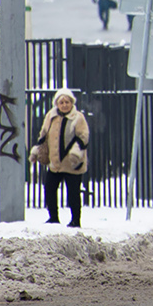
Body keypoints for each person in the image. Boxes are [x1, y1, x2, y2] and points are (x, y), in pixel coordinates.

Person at [37, 88, 89, 227]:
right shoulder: (51, 116)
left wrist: (75, 153)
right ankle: (53, 217)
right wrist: (39, 150)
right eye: (61, 102)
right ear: (57, 104)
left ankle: (75, 220)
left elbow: (83, 137)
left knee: (73, 193)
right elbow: (44, 134)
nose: (65, 105)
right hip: (55, 163)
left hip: (72, 163)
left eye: (67, 102)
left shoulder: (78, 117)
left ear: (72, 103)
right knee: (49, 188)